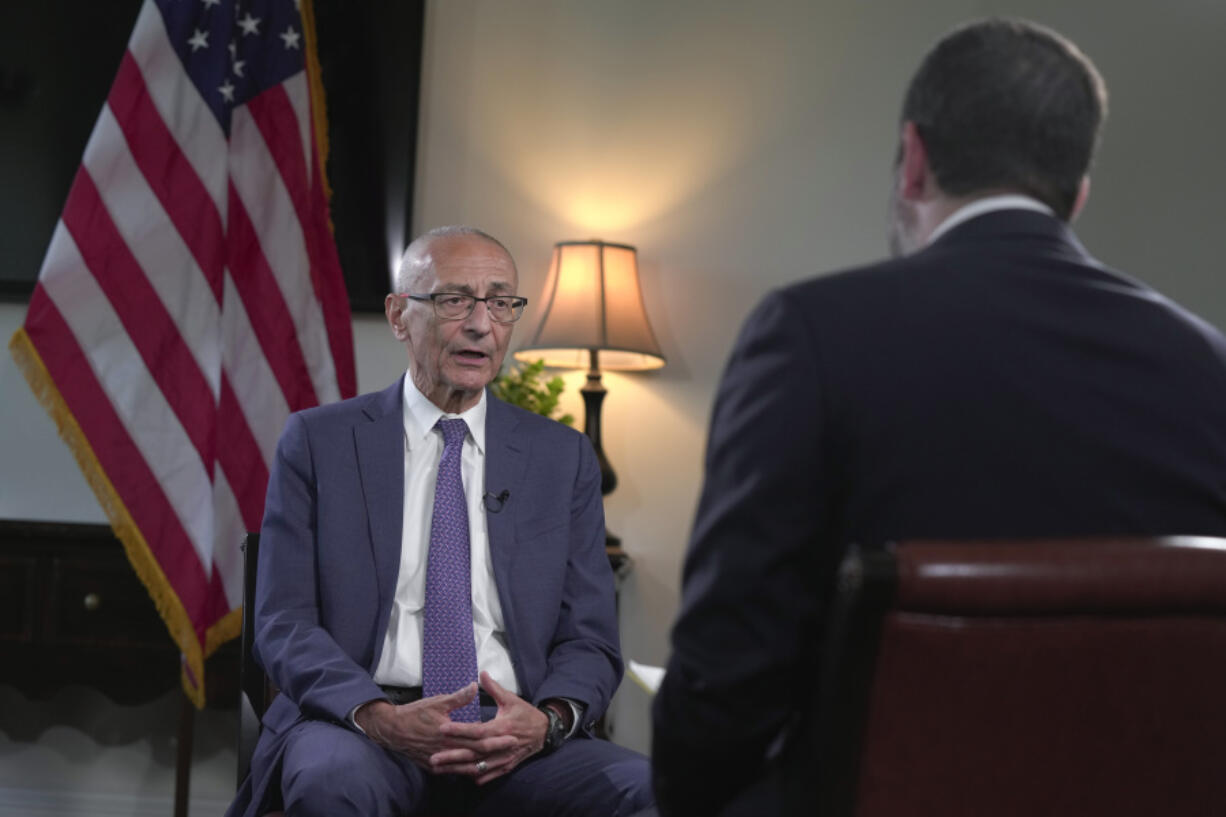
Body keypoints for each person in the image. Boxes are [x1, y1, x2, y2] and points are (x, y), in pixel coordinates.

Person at [651, 18, 1226, 816]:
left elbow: (722, 692)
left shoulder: (811, 335)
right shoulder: (1210, 367)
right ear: (1076, 194)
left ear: (913, 160)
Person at [227, 226, 654, 817]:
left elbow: (590, 638)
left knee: (650, 790)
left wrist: (547, 721)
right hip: (363, 727)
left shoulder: (562, 458)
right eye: (455, 300)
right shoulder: (320, 442)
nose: (482, 324)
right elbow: (284, 623)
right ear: (400, 315)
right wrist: (379, 718)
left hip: (513, 736)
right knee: (333, 783)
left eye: (502, 303)